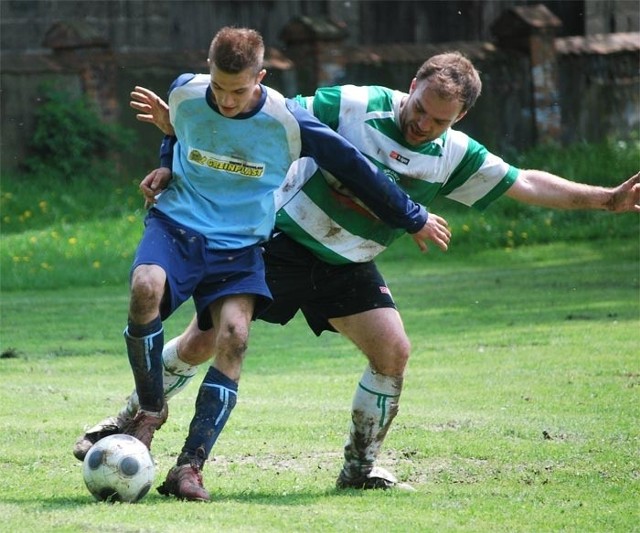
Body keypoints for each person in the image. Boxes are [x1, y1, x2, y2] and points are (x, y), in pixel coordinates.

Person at [75, 50, 640, 500]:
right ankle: (130, 420)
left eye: (438, 119)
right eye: (419, 107)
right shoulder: (348, 104)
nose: (422, 123)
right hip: (281, 243)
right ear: (411, 86)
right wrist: (176, 152)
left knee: (393, 351)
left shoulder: (454, 153)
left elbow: (526, 182)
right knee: (207, 341)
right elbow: (256, 115)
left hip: (349, 264)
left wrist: (605, 201)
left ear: (459, 117)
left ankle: (358, 467)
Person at [87, 26, 451, 502]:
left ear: (260, 77)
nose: (227, 100)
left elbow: (354, 167)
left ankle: (189, 468)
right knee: (145, 290)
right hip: (177, 225)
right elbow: (181, 128)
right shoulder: (185, 90)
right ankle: (149, 411)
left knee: (234, 336)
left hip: (240, 245)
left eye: (238, 90)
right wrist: (168, 163)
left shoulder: (288, 120)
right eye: (218, 86)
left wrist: (412, 215)